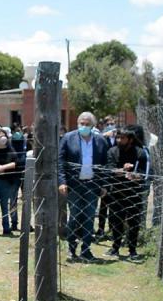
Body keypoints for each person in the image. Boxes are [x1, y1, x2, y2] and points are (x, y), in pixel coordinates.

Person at [58, 112, 109, 262]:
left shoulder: (100, 141)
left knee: (88, 217)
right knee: (74, 217)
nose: (84, 126)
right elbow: (60, 162)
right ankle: (71, 249)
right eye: (81, 123)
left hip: (92, 185)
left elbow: (105, 165)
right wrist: (62, 181)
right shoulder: (68, 138)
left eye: (87, 124)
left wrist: (104, 184)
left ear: (93, 125)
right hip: (74, 185)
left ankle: (86, 250)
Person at [105, 127, 148, 261]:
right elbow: (109, 170)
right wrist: (123, 170)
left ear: (130, 140)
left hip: (133, 193)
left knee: (134, 222)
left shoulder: (140, 153)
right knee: (116, 221)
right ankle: (115, 247)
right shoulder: (112, 151)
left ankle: (132, 250)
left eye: (122, 138)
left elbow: (143, 173)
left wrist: (135, 176)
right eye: (118, 137)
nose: (119, 140)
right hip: (116, 192)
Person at [8, 124, 27, 231]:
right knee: (18, 200)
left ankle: (16, 223)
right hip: (18, 174)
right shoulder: (23, 142)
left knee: (15, 200)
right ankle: (17, 223)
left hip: (20, 174)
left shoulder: (13, 144)